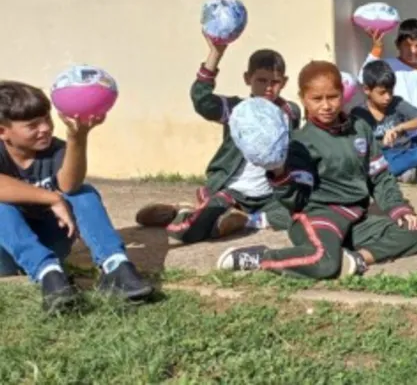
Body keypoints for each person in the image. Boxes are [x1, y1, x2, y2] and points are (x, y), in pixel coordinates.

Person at [216, 61, 417, 279]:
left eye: (333, 96)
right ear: (303, 99)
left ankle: (357, 259)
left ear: (342, 94)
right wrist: (279, 174)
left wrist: (398, 208)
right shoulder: (300, 143)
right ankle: (261, 258)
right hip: (319, 217)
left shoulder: (360, 129)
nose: (326, 106)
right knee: (324, 263)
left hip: (356, 218)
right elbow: (295, 201)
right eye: (317, 99)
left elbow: (380, 177)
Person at [0, 81, 155, 313]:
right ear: (3, 131)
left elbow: (69, 185)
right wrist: (52, 198)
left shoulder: (56, 148)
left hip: (52, 240)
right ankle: (46, 273)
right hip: (7, 252)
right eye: (32, 125)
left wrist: (78, 137)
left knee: (83, 192)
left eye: (47, 119)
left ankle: (115, 267)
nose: (45, 128)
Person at [135, 37, 301, 241]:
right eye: (261, 80)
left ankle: (244, 220)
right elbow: (202, 100)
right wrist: (215, 54)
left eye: (274, 82)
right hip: (233, 191)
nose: (268, 88)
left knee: (301, 214)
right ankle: (179, 213)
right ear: (248, 78)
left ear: (283, 82)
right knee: (186, 233)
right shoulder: (236, 110)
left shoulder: (289, 113)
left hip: (269, 195)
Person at [361, 19, 417, 166]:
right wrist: (376, 49)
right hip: (406, 132)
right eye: (407, 45)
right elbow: (365, 76)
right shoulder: (390, 65)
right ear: (398, 45)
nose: (413, 50)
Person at [351, 60, 417, 184]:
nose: (387, 97)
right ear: (367, 89)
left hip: (402, 152)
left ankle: (382, 174)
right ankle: (398, 172)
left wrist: (398, 128)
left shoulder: (396, 103)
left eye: (390, 91)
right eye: (382, 93)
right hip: (379, 156)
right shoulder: (359, 113)